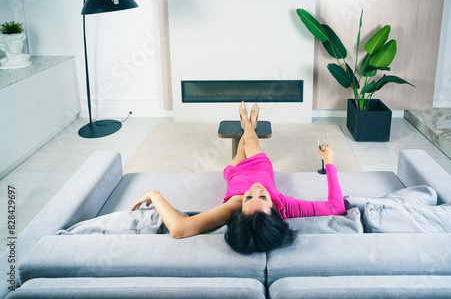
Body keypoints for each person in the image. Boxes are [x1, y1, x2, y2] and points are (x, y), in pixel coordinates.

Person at [131, 101, 345, 254]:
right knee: (251, 142)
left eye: (248, 199)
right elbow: (336, 207)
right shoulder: (285, 207)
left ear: (239, 212)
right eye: (263, 198)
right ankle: (249, 122)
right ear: (274, 210)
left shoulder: (231, 211)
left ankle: (247, 122)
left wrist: (155, 194)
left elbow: (179, 229)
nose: (255, 191)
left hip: (234, 172)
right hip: (260, 167)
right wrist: (330, 163)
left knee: (241, 148)